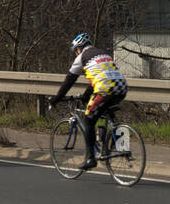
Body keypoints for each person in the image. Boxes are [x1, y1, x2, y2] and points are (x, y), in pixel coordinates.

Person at [46, 32, 128, 171]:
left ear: (79, 48)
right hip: (122, 88)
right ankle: (122, 148)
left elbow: (69, 80)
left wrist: (57, 98)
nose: (76, 53)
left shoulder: (81, 57)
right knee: (106, 114)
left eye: (75, 50)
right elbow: (97, 78)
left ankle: (90, 159)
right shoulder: (104, 54)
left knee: (88, 120)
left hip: (105, 89)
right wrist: (85, 96)